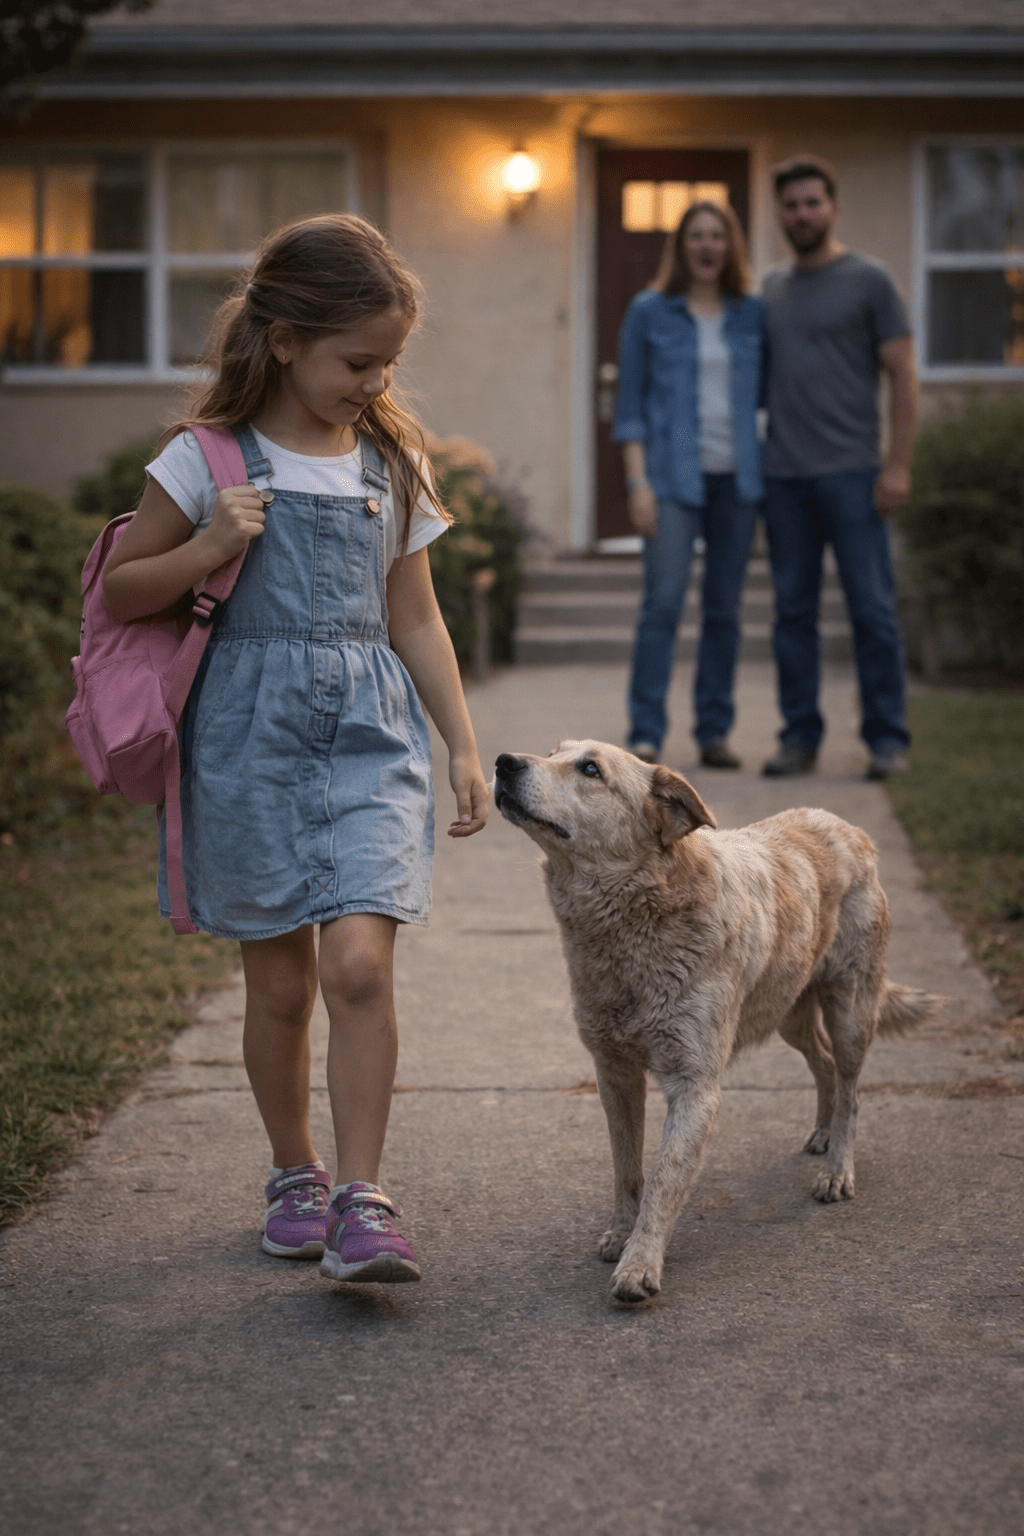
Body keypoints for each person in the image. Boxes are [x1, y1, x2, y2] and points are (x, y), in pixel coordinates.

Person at [103, 215, 488, 1285]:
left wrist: (460, 740)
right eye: (355, 360)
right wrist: (211, 543)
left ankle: (365, 1199)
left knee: (360, 964)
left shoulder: (391, 462)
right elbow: (123, 591)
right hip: (248, 743)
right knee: (279, 990)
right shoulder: (202, 459)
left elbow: (413, 616)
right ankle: (296, 1174)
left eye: (388, 363)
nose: (372, 381)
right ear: (282, 341)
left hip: (369, 739)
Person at [760, 154, 917, 779]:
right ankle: (799, 737)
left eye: (812, 202)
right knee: (791, 616)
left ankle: (887, 739)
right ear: (780, 214)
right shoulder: (769, 290)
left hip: (855, 473)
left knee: (871, 610)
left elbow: (904, 376)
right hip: (784, 479)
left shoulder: (870, 280)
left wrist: (897, 465)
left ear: (833, 207)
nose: (802, 214)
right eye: (792, 205)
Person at [612, 199, 766, 769]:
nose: (707, 246)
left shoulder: (752, 313)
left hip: (739, 480)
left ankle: (714, 731)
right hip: (671, 480)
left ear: (730, 246)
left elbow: (769, 396)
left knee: (724, 610)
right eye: (697, 236)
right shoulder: (649, 311)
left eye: (717, 236)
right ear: (680, 246)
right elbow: (629, 409)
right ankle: (646, 731)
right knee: (664, 602)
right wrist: (637, 485)